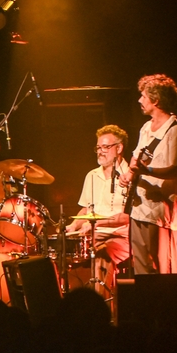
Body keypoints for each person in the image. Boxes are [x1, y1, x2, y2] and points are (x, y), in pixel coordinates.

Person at [119, 74, 177, 274]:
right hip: (139, 207)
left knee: (161, 267)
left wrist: (146, 171)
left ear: (156, 100)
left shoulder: (175, 131)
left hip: (161, 211)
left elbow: (176, 169)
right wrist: (129, 174)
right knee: (141, 265)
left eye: (143, 96)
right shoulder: (146, 128)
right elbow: (137, 157)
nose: (139, 100)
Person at [66, 125, 132, 292]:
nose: (100, 151)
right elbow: (86, 210)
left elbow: (129, 217)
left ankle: (102, 304)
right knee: (65, 251)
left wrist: (95, 223)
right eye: (98, 147)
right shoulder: (92, 175)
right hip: (94, 235)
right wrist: (73, 226)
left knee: (102, 254)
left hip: (122, 236)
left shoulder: (130, 176)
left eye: (105, 147)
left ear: (119, 148)